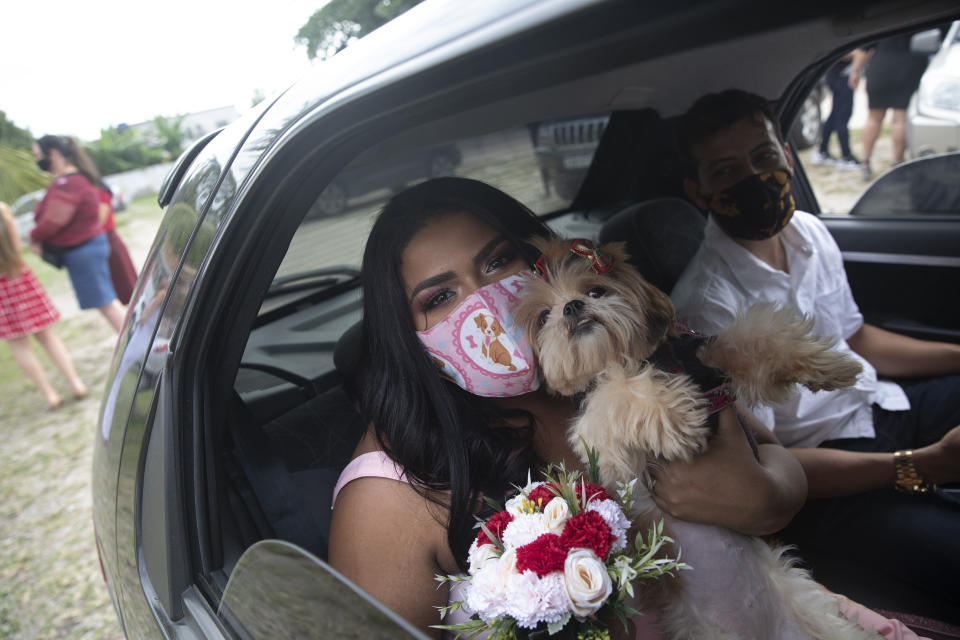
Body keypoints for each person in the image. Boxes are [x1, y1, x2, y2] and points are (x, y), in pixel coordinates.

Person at [327, 177, 924, 639]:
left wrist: (771, 496)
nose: (486, 300)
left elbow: (768, 456)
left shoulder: (619, 357)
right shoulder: (389, 495)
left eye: (497, 262)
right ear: (412, 341)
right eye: (440, 296)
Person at [670, 89, 960, 623]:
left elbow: (855, 340)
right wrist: (920, 466)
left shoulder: (808, 230)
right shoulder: (707, 311)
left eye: (763, 158)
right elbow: (765, 462)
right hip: (828, 474)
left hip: (880, 403)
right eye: (727, 171)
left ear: (785, 152)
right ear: (699, 191)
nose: (754, 178)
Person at [30, 135, 125, 332]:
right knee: (107, 302)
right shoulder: (72, 180)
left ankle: (133, 347)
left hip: (84, 251)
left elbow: (53, 220)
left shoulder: (69, 183)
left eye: (38, 155)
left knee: (107, 303)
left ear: (53, 154)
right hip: (85, 249)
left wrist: (34, 237)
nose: (36, 160)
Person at [0, 201, 87, 408]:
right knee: (47, 336)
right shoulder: (3, 210)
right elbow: (16, 250)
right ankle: (76, 383)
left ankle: (50, 394)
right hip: (18, 276)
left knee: (18, 344)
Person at [852, 34, 932, 181]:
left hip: (880, 66)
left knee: (873, 118)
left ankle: (865, 161)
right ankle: (897, 164)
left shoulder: (880, 17)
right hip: (909, 66)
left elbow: (864, 48)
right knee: (900, 118)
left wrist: (855, 71)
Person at [811, 51, 863, 169]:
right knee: (842, 117)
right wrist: (855, 68)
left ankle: (822, 151)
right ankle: (846, 156)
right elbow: (857, 53)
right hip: (842, 77)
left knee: (835, 115)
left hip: (835, 75)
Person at [97, 181, 138, 305]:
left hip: (108, 242)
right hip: (99, 244)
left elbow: (99, 221)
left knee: (128, 288)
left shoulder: (99, 191)